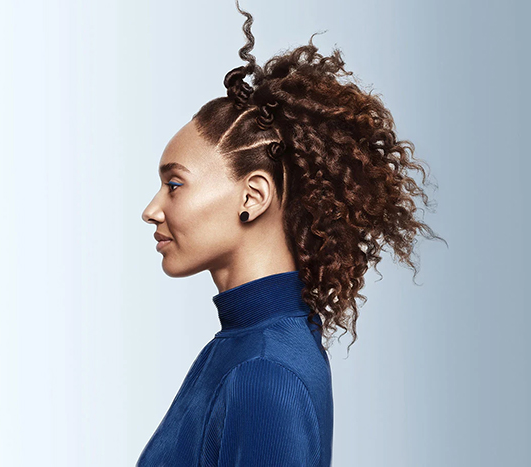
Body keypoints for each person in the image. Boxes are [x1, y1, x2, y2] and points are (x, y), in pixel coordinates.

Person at [137, 1, 446, 465]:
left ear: (253, 196)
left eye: (174, 185)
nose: (151, 210)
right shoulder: (246, 346)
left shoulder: (263, 372)